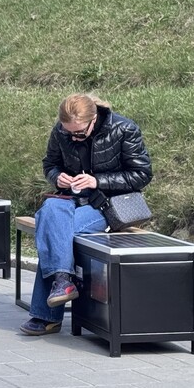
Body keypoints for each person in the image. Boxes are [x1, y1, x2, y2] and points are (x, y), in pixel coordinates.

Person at [19, 93, 153, 337]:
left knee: (56, 230)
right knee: (50, 211)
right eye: (69, 131)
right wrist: (56, 177)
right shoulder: (61, 131)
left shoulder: (124, 129)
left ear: (93, 120)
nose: (73, 136)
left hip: (106, 204)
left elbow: (142, 175)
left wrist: (96, 180)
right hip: (69, 198)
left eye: (79, 132)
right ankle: (62, 281)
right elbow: (50, 164)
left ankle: (46, 315)